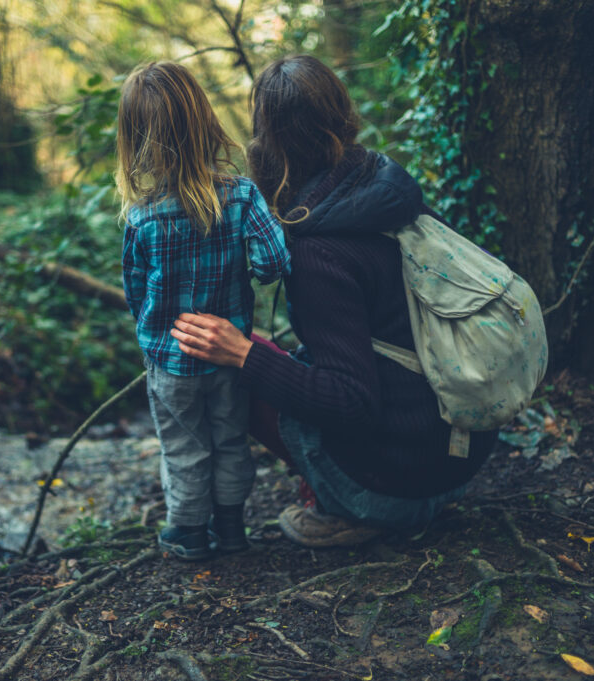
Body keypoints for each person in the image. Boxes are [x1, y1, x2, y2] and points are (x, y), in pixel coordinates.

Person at [170, 55, 497, 548]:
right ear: (342, 116)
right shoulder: (383, 189)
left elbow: (351, 402)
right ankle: (353, 488)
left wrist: (243, 353)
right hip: (456, 456)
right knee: (263, 351)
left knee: (230, 358)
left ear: (269, 143)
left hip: (402, 487)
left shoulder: (318, 250)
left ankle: (349, 507)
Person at [116, 62, 291, 560]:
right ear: (204, 122)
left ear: (135, 140)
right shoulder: (240, 196)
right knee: (231, 440)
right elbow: (274, 261)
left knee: (185, 446)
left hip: (171, 362)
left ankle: (189, 533)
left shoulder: (140, 216)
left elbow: (135, 293)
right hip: (229, 357)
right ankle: (232, 529)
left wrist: (153, 335)